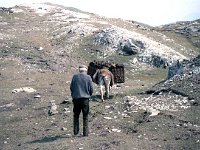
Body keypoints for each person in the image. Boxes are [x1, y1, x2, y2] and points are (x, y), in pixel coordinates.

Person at [70, 65, 93, 136]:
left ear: (79, 70)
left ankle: (75, 131)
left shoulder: (75, 77)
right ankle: (85, 133)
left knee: (76, 115)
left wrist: (74, 94)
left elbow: (71, 87)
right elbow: (91, 89)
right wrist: (89, 94)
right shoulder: (88, 77)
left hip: (76, 99)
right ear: (85, 70)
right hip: (85, 99)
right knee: (85, 116)